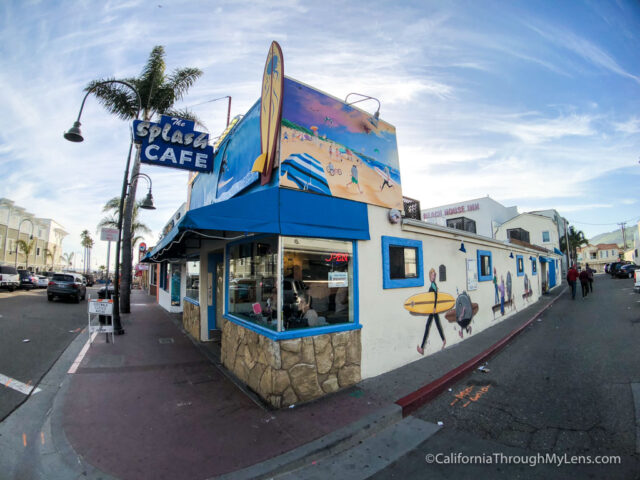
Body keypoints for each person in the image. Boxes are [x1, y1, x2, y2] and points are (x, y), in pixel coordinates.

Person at [417, 268, 446, 355]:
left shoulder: (433, 284)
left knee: (428, 326)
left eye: (434, 275)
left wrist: (433, 307)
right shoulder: (433, 284)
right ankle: (443, 340)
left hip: (433, 309)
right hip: (432, 309)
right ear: (429, 276)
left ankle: (422, 348)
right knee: (437, 324)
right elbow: (431, 297)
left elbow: (436, 296)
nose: (432, 276)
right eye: (431, 275)